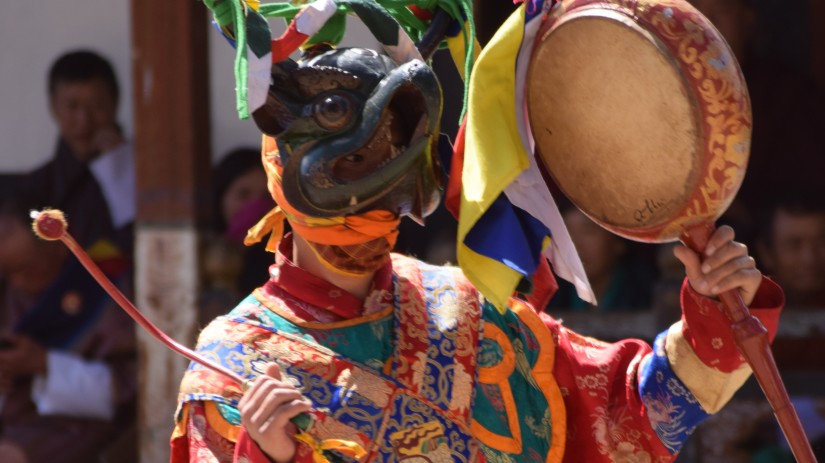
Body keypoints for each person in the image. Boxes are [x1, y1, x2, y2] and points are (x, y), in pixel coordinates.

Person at [170, 40, 785, 462]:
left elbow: (632, 418)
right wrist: (263, 453)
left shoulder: (462, 310)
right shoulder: (234, 367)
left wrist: (713, 312)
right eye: (355, 173)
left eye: (387, 181)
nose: (369, 215)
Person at [0, 181, 137, 463]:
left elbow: (128, 388)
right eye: (8, 273)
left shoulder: (102, 285)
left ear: (58, 248)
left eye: (26, 269)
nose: (18, 283)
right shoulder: (7, 293)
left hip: (78, 427)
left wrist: (43, 364)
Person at [27, 49, 136, 253]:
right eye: (72, 106)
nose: (84, 120)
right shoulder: (36, 188)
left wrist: (120, 172)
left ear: (115, 103)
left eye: (96, 105)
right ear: (53, 107)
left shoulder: (144, 176)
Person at [200, 147, 275, 325]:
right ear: (221, 197)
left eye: (266, 196)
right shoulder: (198, 249)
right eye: (243, 194)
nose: (256, 207)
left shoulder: (282, 257)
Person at [547, 207, 658, 312]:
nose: (576, 244)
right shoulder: (550, 295)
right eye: (567, 233)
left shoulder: (648, 292)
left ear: (618, 241)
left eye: (588, 232)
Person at [755, 192, 825, 309]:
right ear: (766, 253)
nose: (809, 258)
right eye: (794, 245)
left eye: (822, 242)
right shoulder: (751, 310)